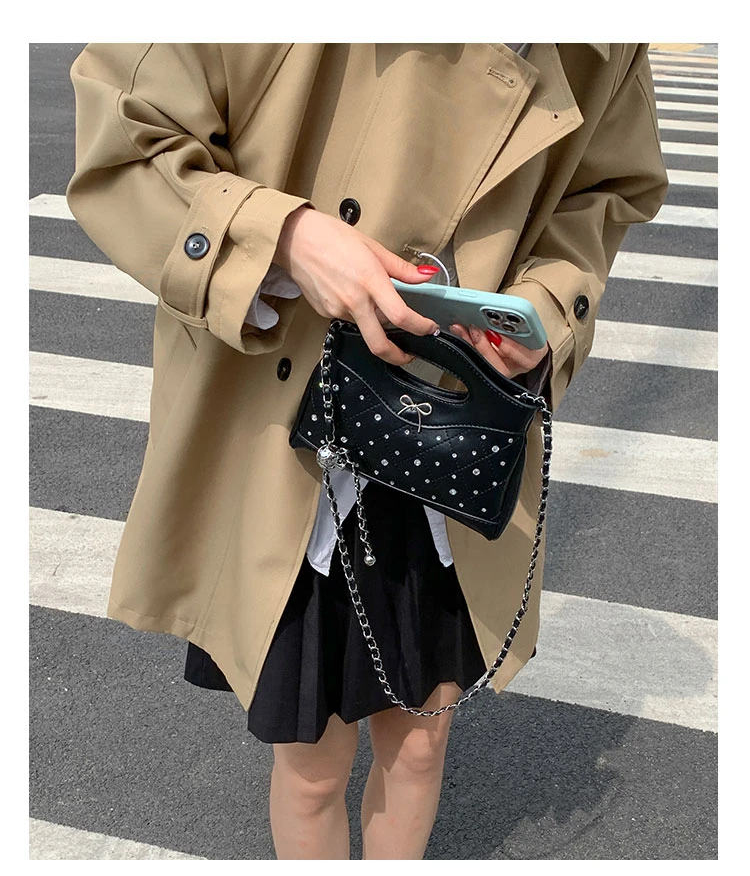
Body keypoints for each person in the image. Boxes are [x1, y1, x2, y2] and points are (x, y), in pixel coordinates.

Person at [67, 43, 668, 860]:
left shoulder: (604, 35)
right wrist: (284, 237)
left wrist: (546, 305)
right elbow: (126, 130)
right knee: (312, 765)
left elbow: (607, 190)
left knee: (421, 743)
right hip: (294, 423)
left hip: (455, 429)